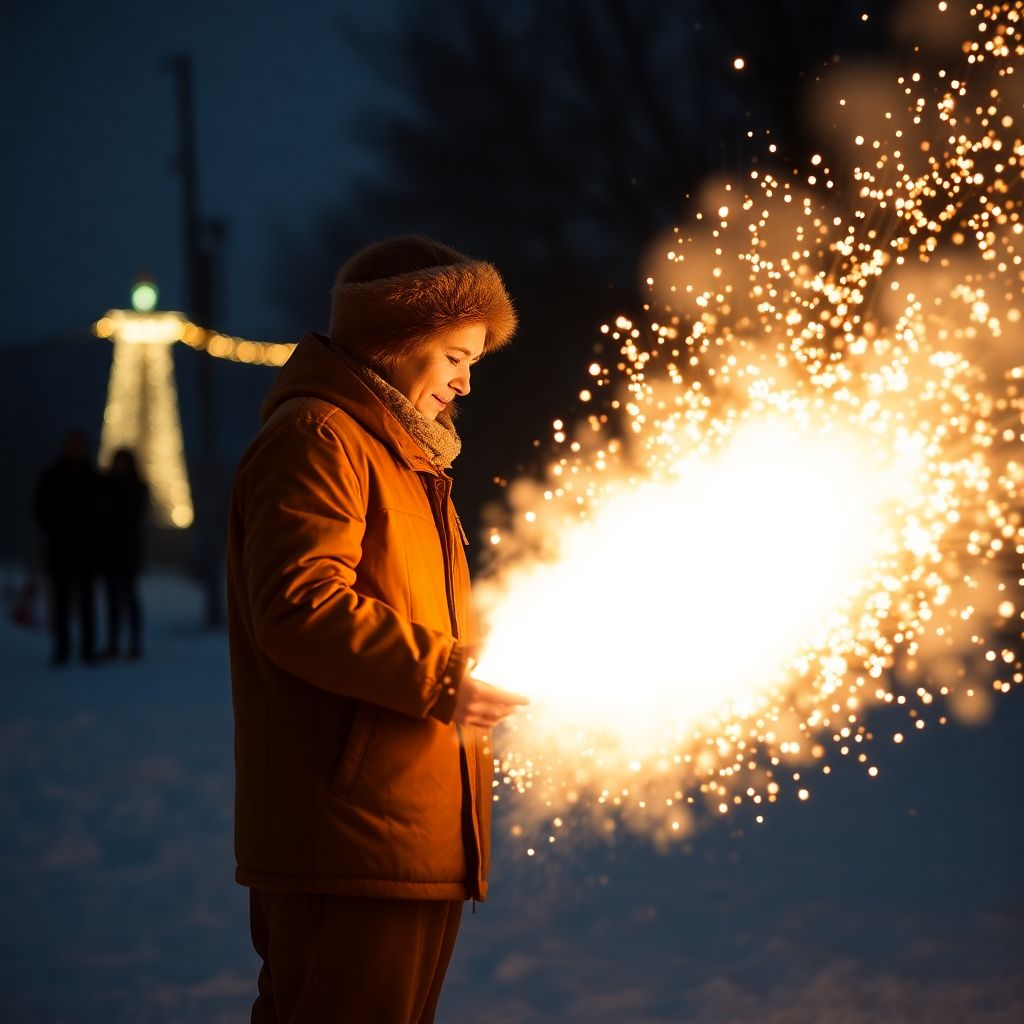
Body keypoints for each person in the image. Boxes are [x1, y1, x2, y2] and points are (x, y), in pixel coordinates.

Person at [226, 235, 530, 1023]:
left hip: (406, 833)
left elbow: (407, 611)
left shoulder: (406, 458)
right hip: (350, 839)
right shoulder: (321, 437)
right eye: (455, 356)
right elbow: (299, 606)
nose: (466, 382)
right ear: (396, 345)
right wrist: (443, 676)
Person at [33, 430, 101, 666]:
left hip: (84, 551)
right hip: (60, 549)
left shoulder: (92, 477)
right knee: (61, 604)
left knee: (86, 603)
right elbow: (40, 509)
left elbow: (101, 512)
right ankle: (62, 649)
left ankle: (87, 650)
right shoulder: (52, 476)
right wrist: (56, 528)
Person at [99, 448, 149, 659]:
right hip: (111, 551)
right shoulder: (106, 486)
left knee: (128, 597)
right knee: (113, 600)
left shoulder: (135, 488)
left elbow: (132, 515)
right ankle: (114, 642)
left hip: (127, 551)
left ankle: (133, 642)